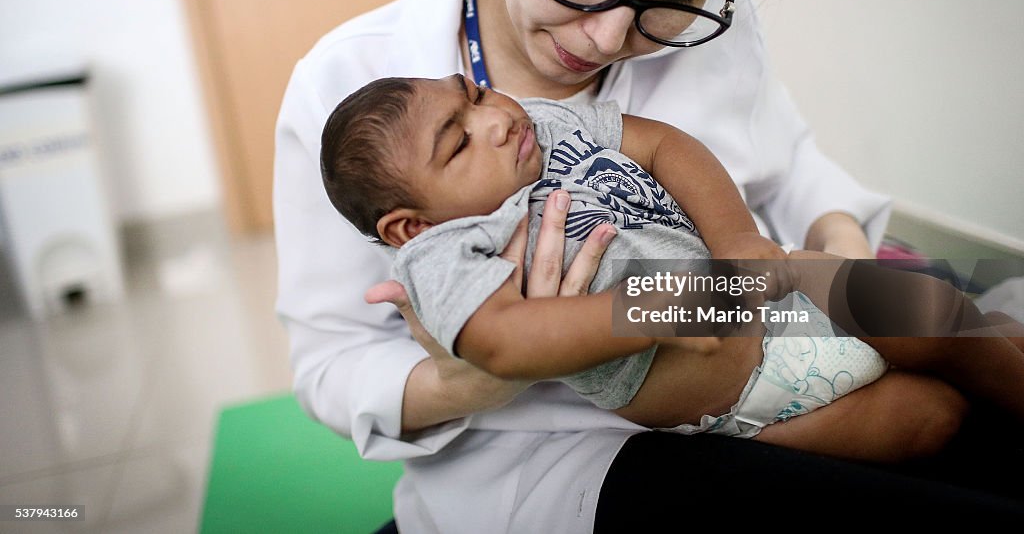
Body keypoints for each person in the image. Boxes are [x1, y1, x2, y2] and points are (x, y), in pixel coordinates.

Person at [274, 0, 1024, 529]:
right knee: (937, 434)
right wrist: (472, 381)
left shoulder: (629, 74)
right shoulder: (349, 86)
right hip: (578, 445)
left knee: (961, 329)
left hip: (769, 298)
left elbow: (782, 160)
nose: (605, 36)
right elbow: (334, 362)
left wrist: (830, 241)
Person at [319, 73, 1024, 439]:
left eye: (473, 95)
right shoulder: (442, 253)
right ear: (409, 226)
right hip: (734, 392)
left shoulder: (544, 121)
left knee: (948, 319)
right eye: (459, 140)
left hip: (768, 280)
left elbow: (663, 143)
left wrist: (736, 239)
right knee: (929, 421)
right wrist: (650, 307)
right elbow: (504, 339)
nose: (496, 118)